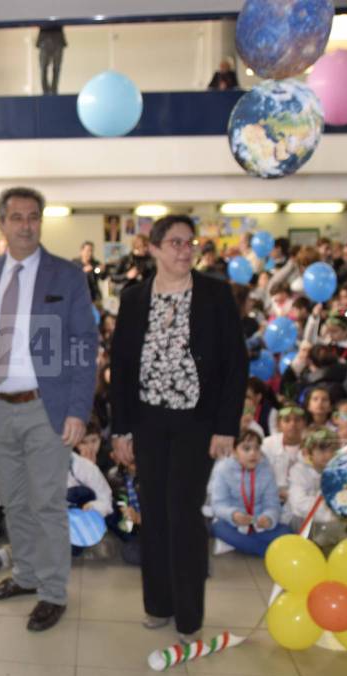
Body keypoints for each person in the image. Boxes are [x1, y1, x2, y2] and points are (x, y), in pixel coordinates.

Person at [110, 214, 248, 642]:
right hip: (149, 422)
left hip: (196, 422)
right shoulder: (134, 298)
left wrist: (226, 426)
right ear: (152, 248)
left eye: (190, 243)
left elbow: (235, 365)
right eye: (174, 242)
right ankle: (158, 603)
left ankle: (189, 612)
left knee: (183, 513)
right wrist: (121, 430)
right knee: (153, 511)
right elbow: (122, 366)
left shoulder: (215, 295)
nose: (185, 250)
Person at [0, 187, 97, 633]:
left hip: (47, 409)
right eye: (16, 217)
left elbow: (84, 342)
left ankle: (53, 592)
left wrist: (79, 409)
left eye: (33, 217)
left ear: (41, 222)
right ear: (1, 223)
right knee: (14, 502)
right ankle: (24, 575)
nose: (25, 225)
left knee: (47, 505)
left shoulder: (66, 275)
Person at [208, 430, 291, 557]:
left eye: (257, 448)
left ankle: (250, 545)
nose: (253, 453)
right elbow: (218, 505)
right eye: (246, 449)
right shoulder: (223, 469)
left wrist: (268, 518)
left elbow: (272, 503)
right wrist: (234, 515)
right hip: (232, 524)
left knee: (287, 533)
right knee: (218, 528)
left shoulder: (266, 470)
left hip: (259, 524)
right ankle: (268, 551)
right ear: (234, 451)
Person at [36, 25, 66, 95]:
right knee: (43, 68)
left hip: (58, 39)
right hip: (44, 39)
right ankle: (46, 91)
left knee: (56, 68)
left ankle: (53, 90)